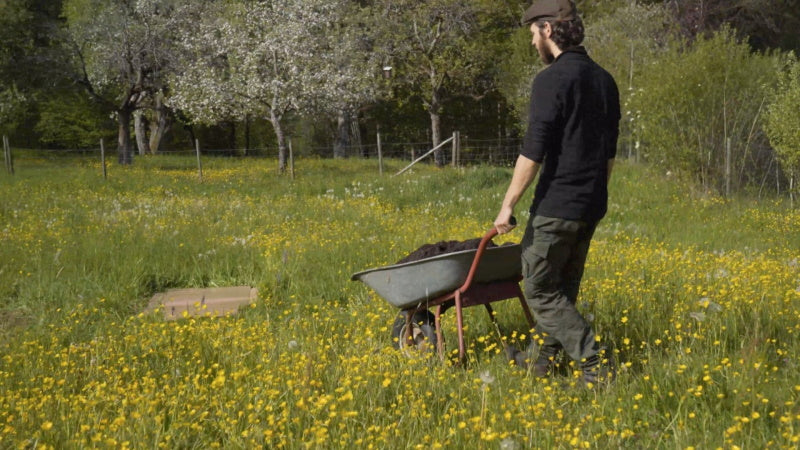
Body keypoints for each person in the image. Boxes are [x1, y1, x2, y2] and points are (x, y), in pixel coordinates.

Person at [494, 0, 621, 387]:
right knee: (562, 289)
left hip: (557, 205)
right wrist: (593, 193)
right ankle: (539, 362)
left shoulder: (551, 80)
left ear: (548, 30)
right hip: (591, 203)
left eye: (533, 33)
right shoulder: (604, 79)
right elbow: (610, 153)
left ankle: (597, 366)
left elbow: (533, 152)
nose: (533, 42)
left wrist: (507, 205)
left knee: (538, 290)